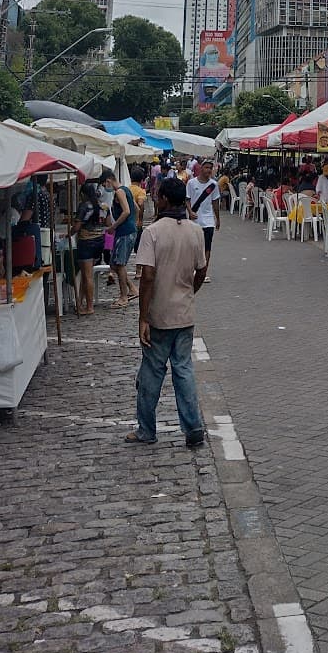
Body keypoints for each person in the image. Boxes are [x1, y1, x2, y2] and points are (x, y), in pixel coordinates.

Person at [125, 174, 207, 448]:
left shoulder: (153, 232)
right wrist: (188, 291)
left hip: (159, 314)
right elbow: (202, 269)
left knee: (151, 372)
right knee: (183, 370)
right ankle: (193, 426)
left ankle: (147, 429)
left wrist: (143, 316)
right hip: (184, 312)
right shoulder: (195, 231)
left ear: (162, 199)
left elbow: (147, 275)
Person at [73, 180, 107, 315]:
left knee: (87, 276)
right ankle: (80, 302)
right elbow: (108, 223)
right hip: (99, 241)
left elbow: (76, 227)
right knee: (86, 274)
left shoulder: (84, 206)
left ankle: (89, 306)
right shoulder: (102, 206)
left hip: (86, 241)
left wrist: (68, 233)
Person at [110, 171, 139, 309]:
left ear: (108, 181)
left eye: (104, 184)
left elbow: (127, 211)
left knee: (119, 264)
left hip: (124, 232)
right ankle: (132, 289)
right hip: (130, 230)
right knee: (115, 264)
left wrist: (114, 226)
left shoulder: (119, 192)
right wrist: (135, 221)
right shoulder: (127, 190)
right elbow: (136, 208)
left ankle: (123, 296)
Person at [186, 159, 220, 277]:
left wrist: (217, 219)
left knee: (207, 246)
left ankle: (203, 272)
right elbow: (187, 199)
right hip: (195, 220)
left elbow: (215, 202)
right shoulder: (191, 183)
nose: (209, 170)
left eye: (211, 168)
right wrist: (190, 212)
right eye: (206, 167)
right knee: (195, 246)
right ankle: (194, 268)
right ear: (201, 168)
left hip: (208, 220)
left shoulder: (213, 185)